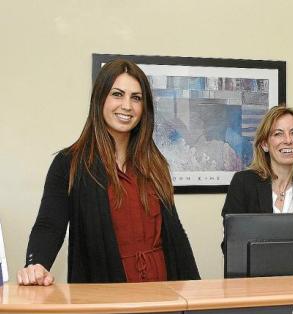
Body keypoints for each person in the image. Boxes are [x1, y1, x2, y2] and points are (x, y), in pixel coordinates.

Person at [17, 59, 199, 285]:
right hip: (104, 292)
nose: (127, 106)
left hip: (162, 292)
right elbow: (49, 225)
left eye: (136, 98)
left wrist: (195, 287)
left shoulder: (155, 164)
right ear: (100, 99)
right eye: (117, 94)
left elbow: (175, 233)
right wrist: (36, 264)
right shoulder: (68, 163)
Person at [221, 105, 293, 220]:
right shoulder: (243, 184)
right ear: (265, 144)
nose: (288, 140)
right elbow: (233, 230)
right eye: (278, 134)